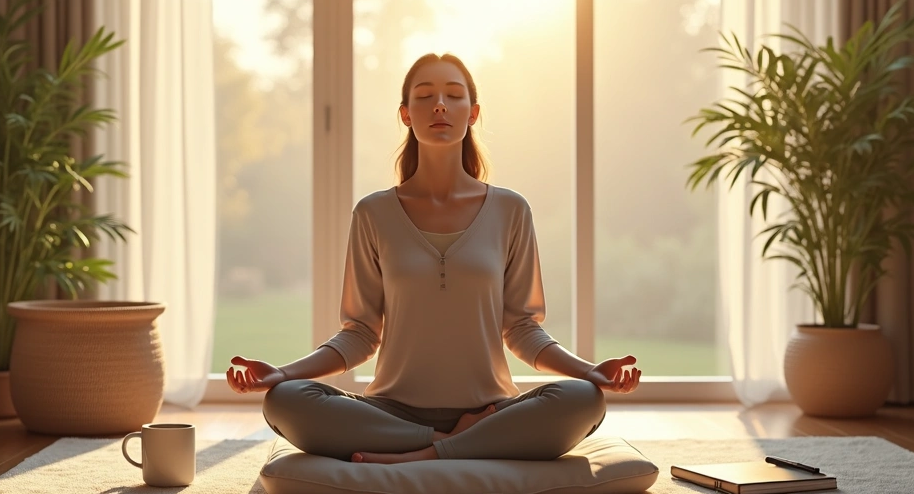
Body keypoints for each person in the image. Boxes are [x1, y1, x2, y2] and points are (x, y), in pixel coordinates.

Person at [227, 53, 640, 465]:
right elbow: (360, 334)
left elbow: (521, 328)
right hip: (392, 410)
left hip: (491, 410)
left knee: (583, 399)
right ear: (406, 115)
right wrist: (282, 374)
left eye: (453, 95)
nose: (439, 105)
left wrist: (590, 372)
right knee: (286, 401)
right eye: (424, 96)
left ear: (473, 113)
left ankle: (423, 453)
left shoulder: (511, 211)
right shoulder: (373, 214)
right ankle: (454, 444)